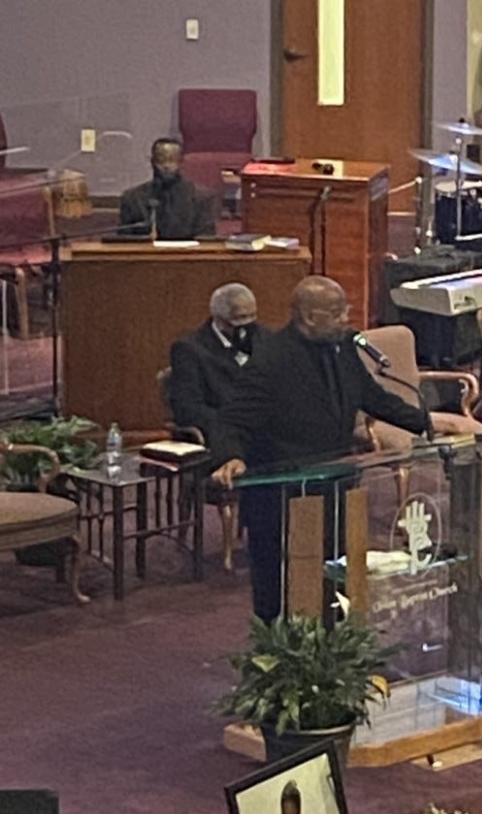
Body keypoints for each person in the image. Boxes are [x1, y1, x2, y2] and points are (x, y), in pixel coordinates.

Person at [211, 275, 431, 621]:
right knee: (282, 591)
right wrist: (231, 456)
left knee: (332, 580)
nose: (347, 317)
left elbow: (373, 398)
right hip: (283, 499)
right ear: (309, 317)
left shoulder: (342, 349)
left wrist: (426, 423)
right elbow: (230, 421)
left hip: (335, 489)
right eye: (337, 311)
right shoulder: (271, 361)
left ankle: (332, 654)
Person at [167, 283, 268, 442]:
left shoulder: (265, 338)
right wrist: (234, 424)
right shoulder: (189, 350)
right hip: (224, 434)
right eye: (240, 318)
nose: (247, 325)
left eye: (252, 316)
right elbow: (188, 408)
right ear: (219, 319)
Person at [118, 138, 215, 239]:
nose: (166, 165)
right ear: (152, 161)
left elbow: (206, 239)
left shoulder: (200, 198)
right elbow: (124, 239)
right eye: (161, 160)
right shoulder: (133, 198)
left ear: (181, 162)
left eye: (172, 160)